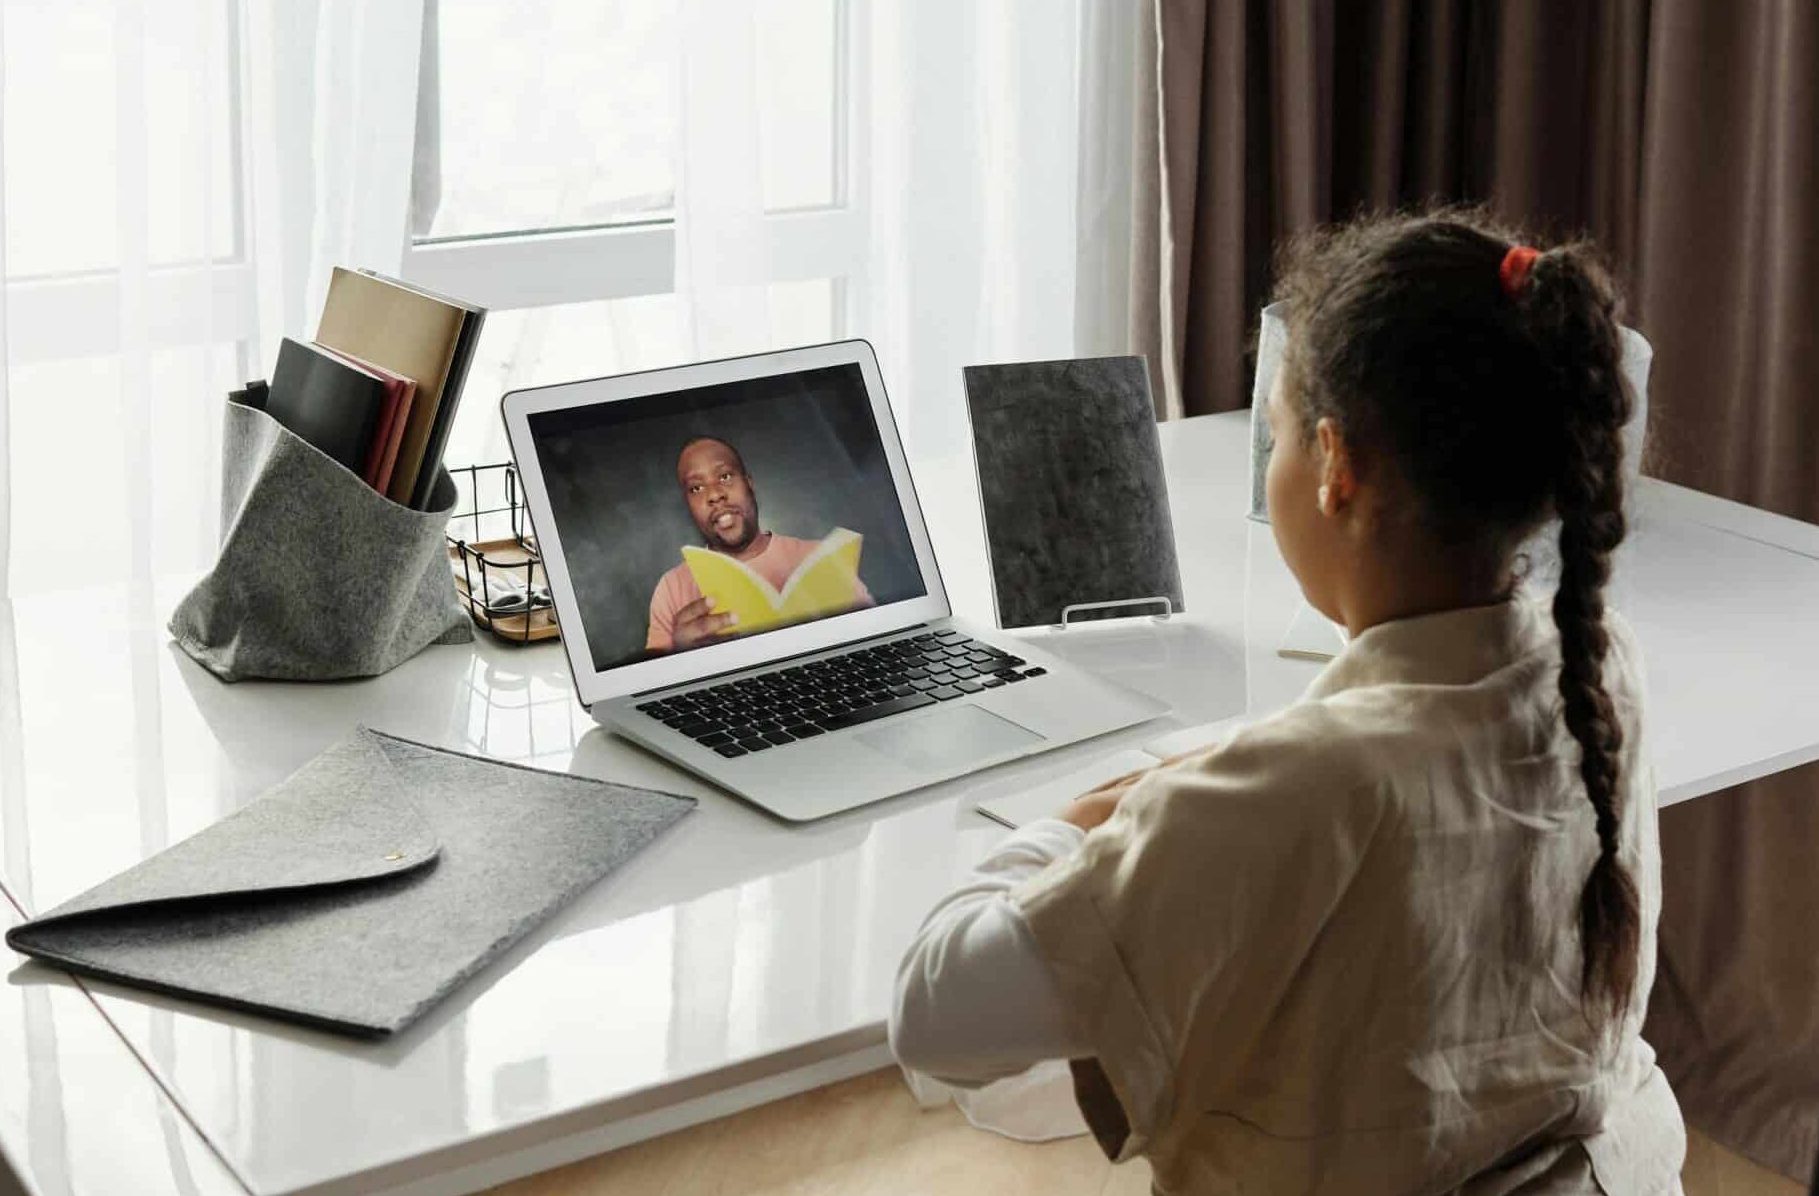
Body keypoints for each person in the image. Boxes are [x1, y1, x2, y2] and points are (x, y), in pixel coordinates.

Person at [889, 210, 1684, 1194]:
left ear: (1334, 465)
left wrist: (1091, 813)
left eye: (1274, 435)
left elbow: (932, 1012)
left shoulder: (1294, 789)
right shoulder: (1604, 671)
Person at [645, 435, 872, 653]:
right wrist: (680, 657)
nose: (714, 495)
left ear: (749, 483)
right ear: (689, 506)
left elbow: (874, 637)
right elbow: (652, 682)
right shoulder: (670, 589)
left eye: (724, 476)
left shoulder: (821, 559)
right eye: (696, 488)